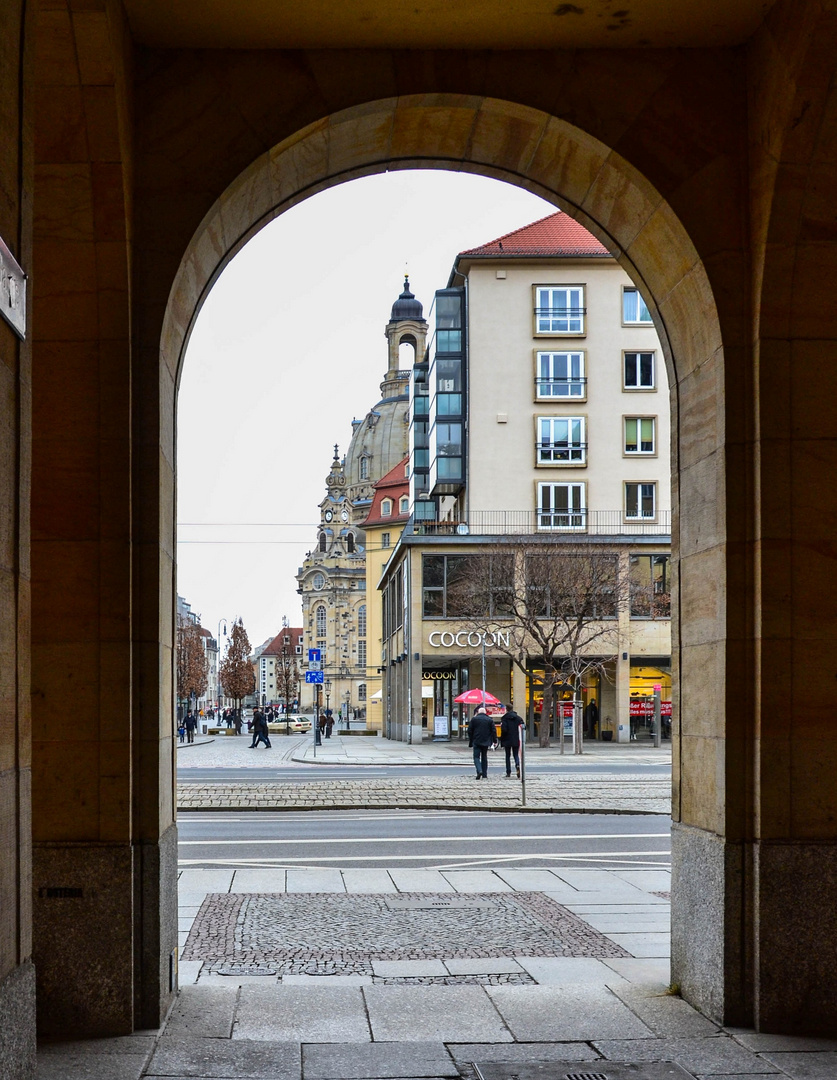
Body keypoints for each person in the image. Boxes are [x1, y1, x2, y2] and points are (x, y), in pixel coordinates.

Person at [467, 706, 497, 779]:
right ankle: (484, 774)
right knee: (484, 757)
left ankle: (479, 770)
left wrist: (471, 738)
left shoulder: (474, 719)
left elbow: (469, 730)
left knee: (476, 757)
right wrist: (494, 741)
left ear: (478, 712)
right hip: (486, 741)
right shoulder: (489, 720)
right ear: (485, 712)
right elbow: (493, 731)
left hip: (476, 740)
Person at [499, 705, 523, 778]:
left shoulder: (504, 718)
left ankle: (508, 772)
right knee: (516, 754)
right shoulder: (518, 718)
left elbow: (504, 729)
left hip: (507, 739)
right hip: (516, 739)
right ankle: (517, 764)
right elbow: (523, 727)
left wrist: (501, 737)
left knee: (507, 756)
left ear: (506, 709)